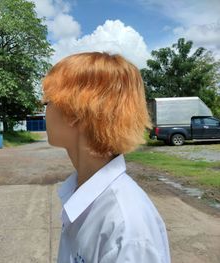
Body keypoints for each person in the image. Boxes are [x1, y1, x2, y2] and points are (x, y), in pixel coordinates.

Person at [42, 52, 171, 263]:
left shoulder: (126, 229)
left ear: (74, 114)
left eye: (48, 102)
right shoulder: (84, 194)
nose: (44, 111)